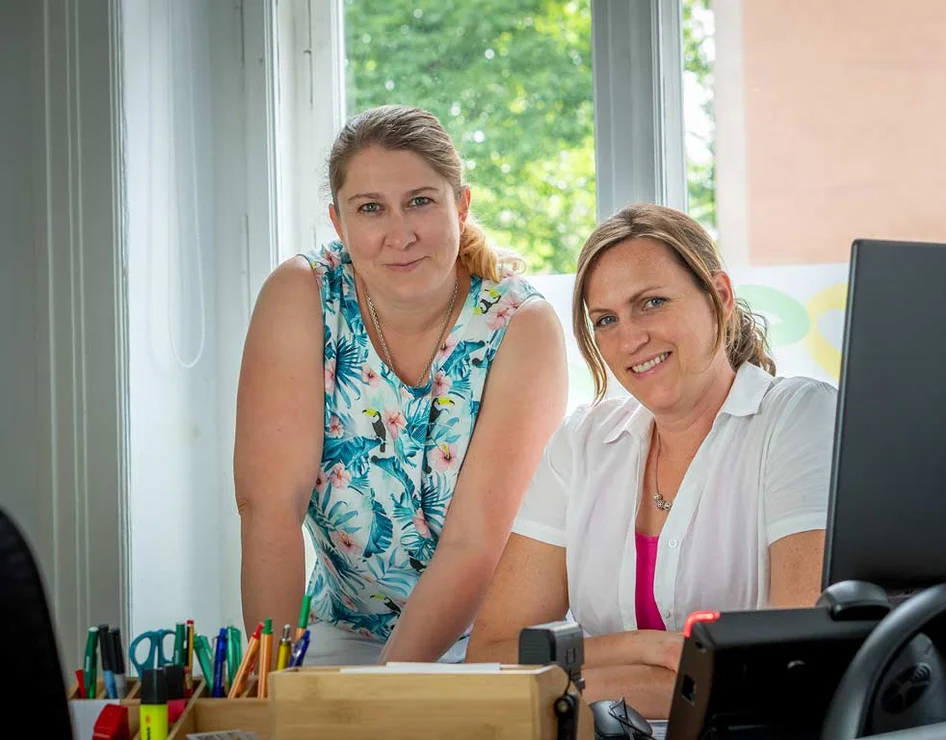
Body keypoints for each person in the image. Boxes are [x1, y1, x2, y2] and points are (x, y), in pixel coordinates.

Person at [466, 203, 837, 718]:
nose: (629, 338)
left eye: (653, 302)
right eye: (606, 319)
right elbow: (491, 659)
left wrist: (571, 685)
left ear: (720, 297)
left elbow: (795, 665)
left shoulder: (797, 416)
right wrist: (642, 648)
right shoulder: (584, 441)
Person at [233, 104, 568, 665]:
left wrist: (381, 696)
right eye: (370, 209)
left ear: (461, 205)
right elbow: (268, 504)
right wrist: (272, 682)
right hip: (343, 625)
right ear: (338, 223)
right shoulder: (302, 295)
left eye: (420, 201)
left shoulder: (520, 326)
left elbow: (474, 545)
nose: (400, 233)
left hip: (495, 632)